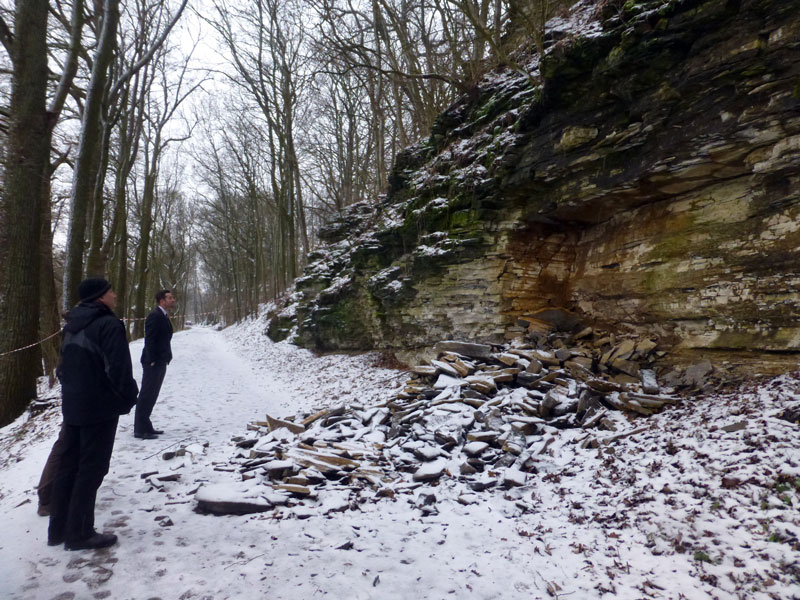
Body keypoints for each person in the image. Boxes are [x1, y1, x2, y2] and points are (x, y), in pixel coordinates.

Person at [48, 277, 139, 550]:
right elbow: (118, 369)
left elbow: (62, 367)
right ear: (100, 296)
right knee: (92, 468)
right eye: (111, 291)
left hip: (73, 405)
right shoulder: (108, 324)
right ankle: (80, 533)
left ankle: (58, 530)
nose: (115, 294)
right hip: (99, 408)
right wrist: (127, 398)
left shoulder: (71, 324)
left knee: (69, 466)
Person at [134, 289, 175, 439]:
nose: (173, 300)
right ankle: (140, 429)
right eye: (169, 298)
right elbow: (150, 340)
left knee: (152, 395)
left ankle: (146, 425)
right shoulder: (155, 316)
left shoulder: (163, 315)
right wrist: (152, 360)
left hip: (160, 360)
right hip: (153, 362)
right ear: (162, 301)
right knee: (147, 394)